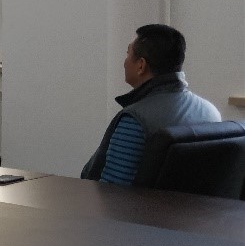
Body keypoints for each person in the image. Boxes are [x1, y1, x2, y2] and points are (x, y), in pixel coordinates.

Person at [81, 24, 221, 185]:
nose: (125, 62)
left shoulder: (135, 120)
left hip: (131, 203)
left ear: (141, 65)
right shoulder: (211, 112)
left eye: (128, 54)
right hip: (196, 203)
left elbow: (112, 191)